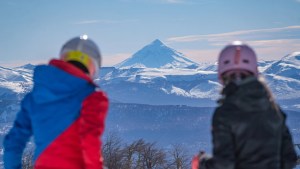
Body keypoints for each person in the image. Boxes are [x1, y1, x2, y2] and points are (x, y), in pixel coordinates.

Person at [4, 35, 109, 169]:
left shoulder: (35, 97)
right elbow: (90, 142)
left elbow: (13, 142)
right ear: (93, 67)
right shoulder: (93, 97)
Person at [192, 41, 297, 169]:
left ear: (222, 75)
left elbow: (224, 165)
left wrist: (202, 163)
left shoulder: (225, 113)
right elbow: (289, 159)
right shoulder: (273, 109)